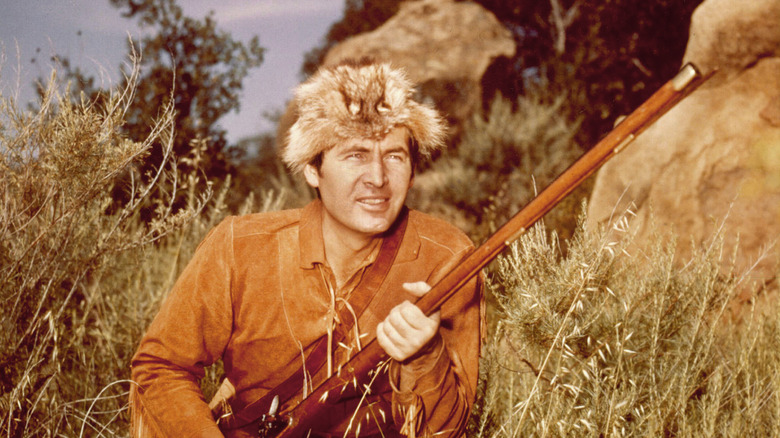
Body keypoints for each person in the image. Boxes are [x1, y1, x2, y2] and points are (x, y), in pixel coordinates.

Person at [130, 58, 483, 438]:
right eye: (356, 155)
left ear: (413, 170)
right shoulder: (240, 248)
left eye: (394, 156)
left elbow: (450, 429)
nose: (378, 178)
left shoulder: (447, 257)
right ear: (313, 170)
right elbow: (161, 367)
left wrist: (425, 358)